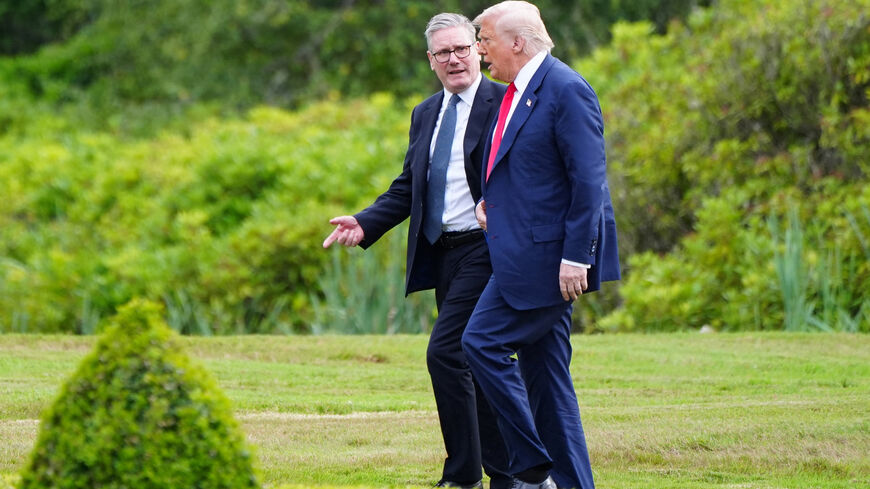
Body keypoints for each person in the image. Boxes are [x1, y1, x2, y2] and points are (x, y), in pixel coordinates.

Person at [322, 13, 511, 489]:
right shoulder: (425, 112)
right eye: (442, 53)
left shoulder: (503, 102)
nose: (454, 60)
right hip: (442, 253)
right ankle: (502, 474)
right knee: (473, 356)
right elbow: (409, 186)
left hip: (488, 250)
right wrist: (364, 222)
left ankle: (467, 476)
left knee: (446, 352)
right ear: (430, 61)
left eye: (462, 48)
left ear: (478, 49)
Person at [460, 2, 621, 489]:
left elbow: (588, 180)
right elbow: (529, 169)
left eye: (483, 39)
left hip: (550, 263)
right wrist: (492, 202)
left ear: (516, 42)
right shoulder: (517, 92)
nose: (479, 51)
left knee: (480, 343)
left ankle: (532, 466)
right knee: (549, 387)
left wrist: (577, 256)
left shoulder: (567, 88)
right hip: (520, 253)